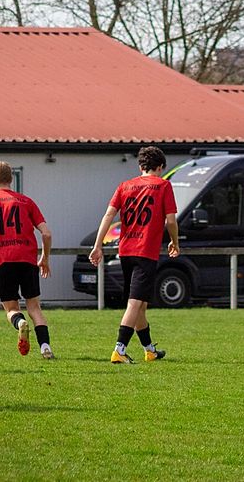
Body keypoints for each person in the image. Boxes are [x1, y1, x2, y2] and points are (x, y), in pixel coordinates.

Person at [89, 146, 180, 364]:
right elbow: (170, 220)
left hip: (126, 250)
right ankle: (119, 350)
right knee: (135, 303)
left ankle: (149, 350)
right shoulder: (163, 185)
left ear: (141, 167)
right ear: (160, 167)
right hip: (145, 250)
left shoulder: (125, 186)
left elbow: (109, 215)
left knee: (140, 304)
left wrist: (98, 245)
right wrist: (175, 242)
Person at [0, 161, 55, 359]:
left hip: (2, 260)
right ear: (11, 179)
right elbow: (46, 234)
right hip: (27, 259)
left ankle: (20, 322)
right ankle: (45, 347)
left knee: (11, 309)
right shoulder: (26, 201)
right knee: (34, 307)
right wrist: (44, 258)